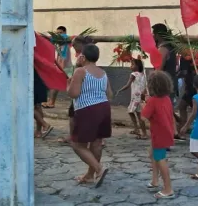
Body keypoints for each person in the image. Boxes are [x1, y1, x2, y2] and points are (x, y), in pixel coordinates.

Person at [67, 44, 111, 188]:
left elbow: (73, 93)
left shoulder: (80, 71)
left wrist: (69, 85)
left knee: (77, 144)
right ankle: (90, 176)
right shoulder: (103, 73)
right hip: (104, 107)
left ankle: (99, 169)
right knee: (97, 142)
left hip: (87, 109)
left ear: (83, 57)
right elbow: (109, 94)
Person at [141, 71, 176, 199]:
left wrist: (143, 105)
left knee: (160, 159)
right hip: (165, 132)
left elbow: (143, 118)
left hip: (159, 134)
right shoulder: (166, 99)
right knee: (152, 154)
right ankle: (155, 180)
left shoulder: (153, 101)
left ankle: (168, 188)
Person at [115, 58, 148, 139]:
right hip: (140, 97)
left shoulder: (133, 74)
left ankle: (143, 133)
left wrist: (120, 90)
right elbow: (145, 86)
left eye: (132, 64)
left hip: (135, 97)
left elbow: (128, 85)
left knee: (135, 113)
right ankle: (138, 130)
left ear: (137, 66)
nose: (131, 66)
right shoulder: (143, 75)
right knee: (133, 112)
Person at [44, 25, 71, 108]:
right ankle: (51, 101)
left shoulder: (65, 40)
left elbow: (63, 57)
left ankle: (51, 102)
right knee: (55, 84)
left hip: (65, 66)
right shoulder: (59, 43)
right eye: (57, 33)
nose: (59, 35)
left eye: (61, 33)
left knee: (56, 84)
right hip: (60, 66)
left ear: (65, 33)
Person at [33, 68, 53, 139]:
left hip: (33, 80)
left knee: (28, 107)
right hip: (41, 79)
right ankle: (38, 131)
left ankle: (45, 124)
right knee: (38, 106)